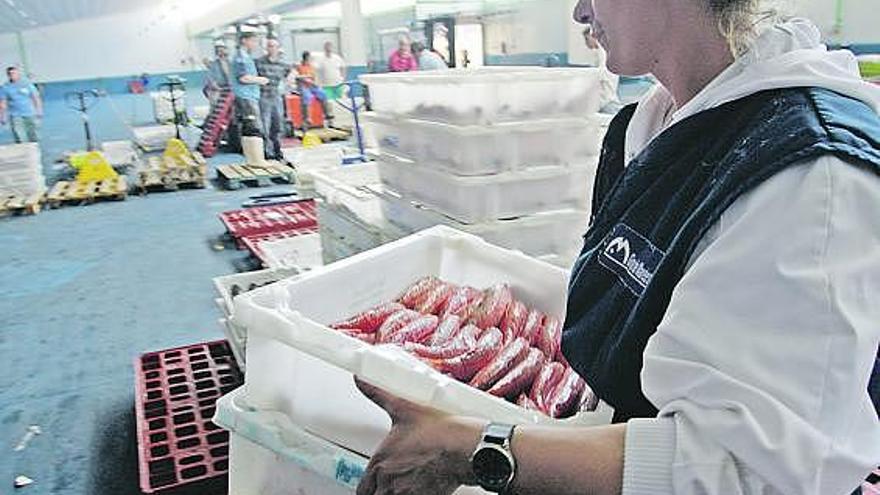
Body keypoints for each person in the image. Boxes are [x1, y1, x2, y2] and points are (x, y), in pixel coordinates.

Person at [353, 1, 880, 494]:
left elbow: (748, 472)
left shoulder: (811, 175)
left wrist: (473, 449)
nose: (580, 10)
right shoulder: (652, 124)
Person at [256, 37, 292, 160]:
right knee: (265, 126)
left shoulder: (283, 64)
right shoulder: (258, 62)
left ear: (278, 48)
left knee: (277, 126)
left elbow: (291, 73)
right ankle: (267, 152)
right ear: (266, 48)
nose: (272, 48)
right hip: (263, 97)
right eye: (269, 46)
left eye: (274, 46)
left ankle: (277, 151)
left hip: (277, 97)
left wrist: (289, 81)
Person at [232, 32, 269, 153]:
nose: (255, 44)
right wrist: (261, 80)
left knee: (251, 126)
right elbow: (243, 78)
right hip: (245, 97)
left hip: (250, 96)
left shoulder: (246, 56)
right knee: (253, 127)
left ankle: (255, 155)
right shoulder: (240, 57)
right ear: (244, 41)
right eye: (253, 41)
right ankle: (256, 156)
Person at [583, 24, 621, 111]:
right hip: (605, 100)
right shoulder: (599, 53)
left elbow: (602, 74)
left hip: (607, 101)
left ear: (593, 36)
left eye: (587, 39)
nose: (586, 43)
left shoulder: (604, 52)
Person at [0, 66, 42, 144]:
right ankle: (24, 151)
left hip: (30, 113)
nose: (12, 75)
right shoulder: (5, 87)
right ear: (8, 75)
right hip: (15, 115)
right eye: (10, 74)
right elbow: (3, 103)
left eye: (14, 73)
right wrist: (3, 116)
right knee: (19, 135)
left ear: (18, 74)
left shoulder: (27, 84)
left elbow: (35, 97)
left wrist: (39, 111)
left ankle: (35, 151)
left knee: (34, 135)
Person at [295, 51, 331, 131]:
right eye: (308, 58)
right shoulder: (298, 66)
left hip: (312, 86)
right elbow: (297, 77)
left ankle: (327, 113)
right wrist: (307, 80)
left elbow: (314, 76)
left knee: (323, 94)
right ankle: (308, 118)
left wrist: (317, 83)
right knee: (307, 97)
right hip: (303, 86)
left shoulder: (311, 66)